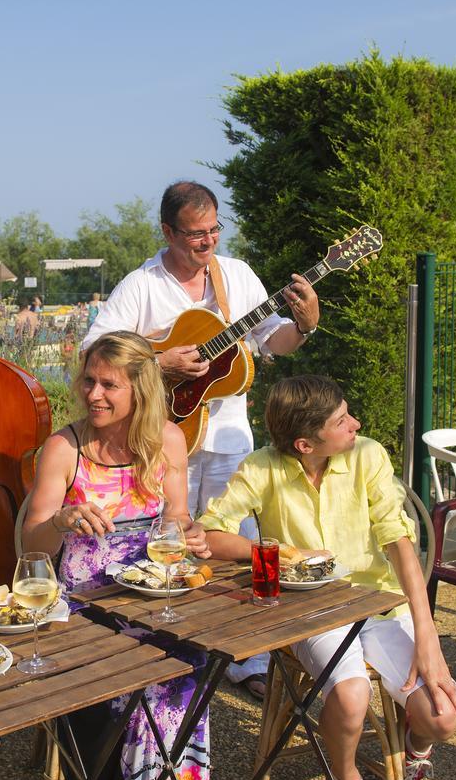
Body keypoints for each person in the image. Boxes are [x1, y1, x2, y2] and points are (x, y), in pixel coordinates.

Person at [83, 180, 320, 696]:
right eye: (194, 233)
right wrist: (158, 359)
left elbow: (272, 338)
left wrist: (303, 327)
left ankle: (249, 656)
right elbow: (94, 346)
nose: (207, 241)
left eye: (214, 229)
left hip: (230, 434)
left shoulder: (235, 275)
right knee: (169, 541)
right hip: (164, 437)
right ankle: (173, 647)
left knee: (242, 543)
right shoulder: (141, 285)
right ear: (167, 231)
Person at [199, 375, 456, 780]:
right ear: (305, 444)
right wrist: (281, 552)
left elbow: (399, 542)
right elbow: (210, 536)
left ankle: (415, 755)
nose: (355, 423)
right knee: (353, 694)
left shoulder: (369, 455)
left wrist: (427, 638)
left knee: (442, 717)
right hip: (312, 612)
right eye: (342, 420)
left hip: (378, 606)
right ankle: (344, 779)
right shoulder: (262, 466)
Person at [21, 331, 212, 780]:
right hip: (85, 610)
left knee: (191, 668)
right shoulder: (65, 448)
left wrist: (191, 534)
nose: (94, 395)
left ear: (139, 389)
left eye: (109, 385)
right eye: (89, 381)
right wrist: (62, 520)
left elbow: (178, 518)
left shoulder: (167, 440)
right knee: (137, 689)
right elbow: (31, 541)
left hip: (152, 600)